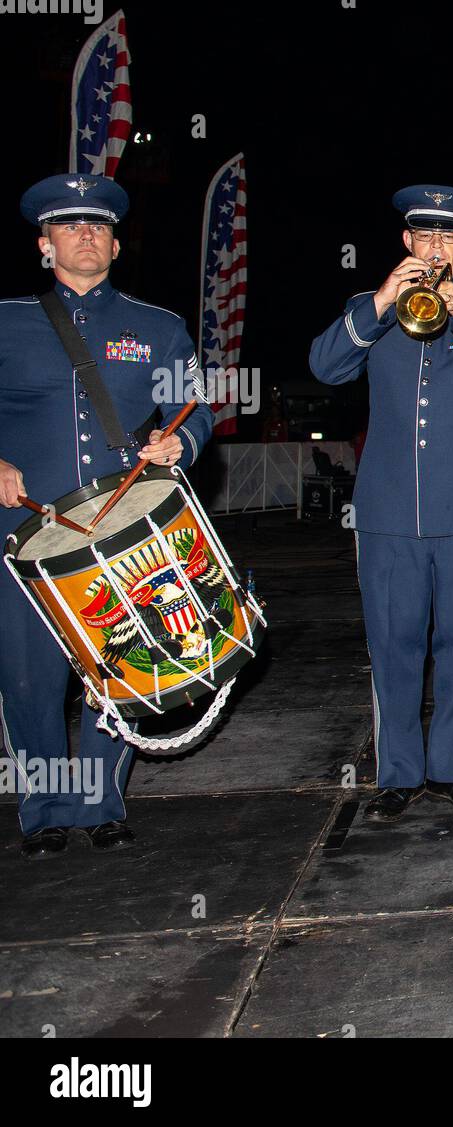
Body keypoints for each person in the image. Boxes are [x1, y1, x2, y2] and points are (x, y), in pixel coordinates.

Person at [309, 185, 453, 822]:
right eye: (425, 237)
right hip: (387, 513)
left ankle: (452, 770)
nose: (436, 249)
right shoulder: (371, 308)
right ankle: (398, 774)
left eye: (450, 238)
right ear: (407, 243)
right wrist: (384, 299)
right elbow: (325, 367)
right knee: (393, 644)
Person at [0, 174, 213, 858]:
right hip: (26, 535)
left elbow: (198, 407)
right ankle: (42, 812)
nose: (85, 235)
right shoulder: (6, 321)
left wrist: (184, 437)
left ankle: (100, 801)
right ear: (44, 244)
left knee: (117, 667)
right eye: (69, 226)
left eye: (97, 227)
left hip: (124, 535)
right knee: (29, 677)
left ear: (116, 245)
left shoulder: (158, 327)